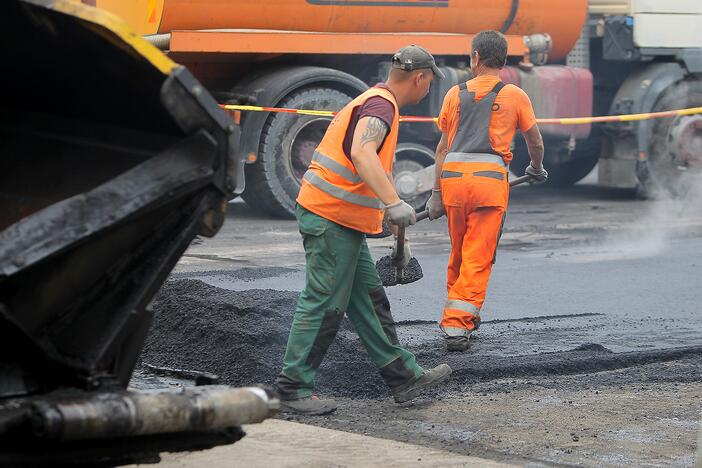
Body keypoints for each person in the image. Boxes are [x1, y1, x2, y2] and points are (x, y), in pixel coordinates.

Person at [276, 45, 452, 415]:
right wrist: (393, 202)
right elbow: (361, 152)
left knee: (369, 299)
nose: (426, 90)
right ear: (421, 78)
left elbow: (372, 169)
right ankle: (292, 388)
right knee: (324, 303)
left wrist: (390, 222)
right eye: (428, 83)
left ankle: (403, 377)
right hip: (329, 218)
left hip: (342, 221)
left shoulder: (377, 101)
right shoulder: (381, 106)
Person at [425, 30, 548, 352]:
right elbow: (534, 140)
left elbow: (441, 148)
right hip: (487, 183)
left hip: (452, 180)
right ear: (504, 60)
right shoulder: (515, 95)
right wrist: (535, 168)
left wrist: (436, 192)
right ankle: (456, 324)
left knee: (460, 252)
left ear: (476, 56)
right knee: (478, 256)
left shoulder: (454, 94)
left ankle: (461, 312)